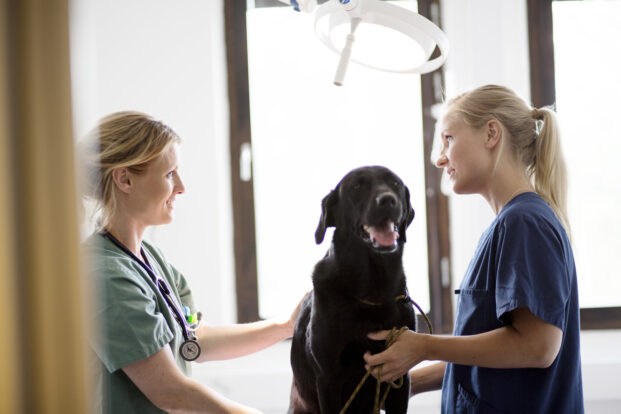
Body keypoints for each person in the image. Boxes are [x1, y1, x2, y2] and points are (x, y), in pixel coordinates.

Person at [362, 85, 584, 413]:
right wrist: (407, 382)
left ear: (491, 133)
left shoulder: (524, 222)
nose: (439, 159)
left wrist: (423, 345)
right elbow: (492, 353)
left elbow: (538, 347)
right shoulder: (510, 224)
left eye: (448, 138)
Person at [79, 111, 302, 414]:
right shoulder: (104, 275)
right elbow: (172, 393)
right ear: (125, 179)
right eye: (170, 174)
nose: (181, 187)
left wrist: (286, 326)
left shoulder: (150, 260)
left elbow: (195, 339)